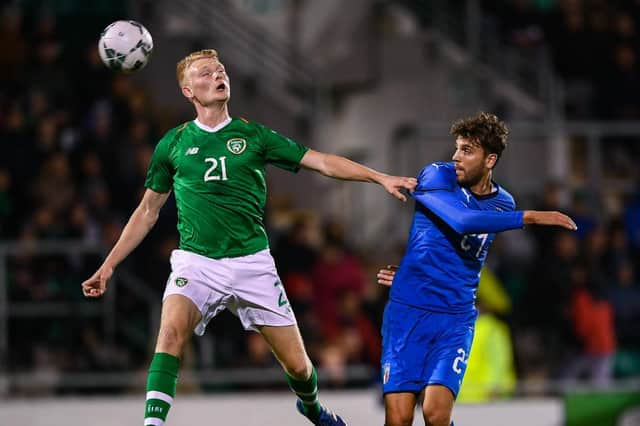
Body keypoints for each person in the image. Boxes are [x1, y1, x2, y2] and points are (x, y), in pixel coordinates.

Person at [81, 48, 417, 426]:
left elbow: (321, 161)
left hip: (252, 264)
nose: (217, 75)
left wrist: (380, 177)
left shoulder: (253, 135)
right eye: (205, 73)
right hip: (197, 262)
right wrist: (108, 265)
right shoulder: (172, 145)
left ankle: (312, 409)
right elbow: (147, 211)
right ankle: (152, 424)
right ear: (187, 90)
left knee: (300, 367)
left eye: (220, 69)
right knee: (170, 331)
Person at [375, 112, 577, 426]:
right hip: (409, 312)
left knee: (435, 413)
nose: (456, 157)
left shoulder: (503, 203)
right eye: (457, 148)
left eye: (467, 150)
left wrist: (417, 270)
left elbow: (459, 250)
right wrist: (532, 217)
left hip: (455, 317)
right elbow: (462, 221)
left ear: (490, 159)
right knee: (399, 417)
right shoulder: (435, 176)